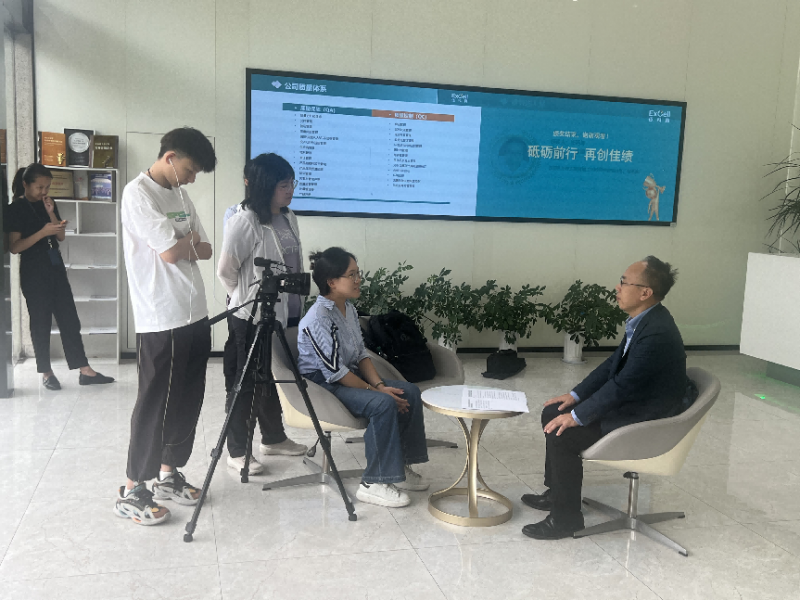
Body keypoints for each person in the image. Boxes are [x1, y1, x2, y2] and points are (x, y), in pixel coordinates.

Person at [521, 256, 694, 540]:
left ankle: (566, 519)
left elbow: (623, 386)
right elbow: (613, 365)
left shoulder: (657, 333)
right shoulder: (646, 320)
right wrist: (575, 396)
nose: (618, 287)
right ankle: (557, 494)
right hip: (636, 402)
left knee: (564, 432)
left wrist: (578, 416)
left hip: (646, 418)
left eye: (624, 282)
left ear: (645, 292)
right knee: (554, 412)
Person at [114, 127, 216, 526]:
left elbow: (204, 249)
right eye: (189, 170)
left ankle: (167, 474)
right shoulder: (138, 194)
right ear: (170, 157)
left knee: (188, 397)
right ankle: (133, 487)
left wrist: (182, 244)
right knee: (154, 400)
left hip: (195, 311)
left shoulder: (180, 196)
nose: (191, 179)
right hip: (160, 315)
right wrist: (183, 243)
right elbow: (174, 252)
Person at [297, 247, 429, 508]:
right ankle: (373, 482)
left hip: (347, 375)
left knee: (409, 392)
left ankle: (399, 468)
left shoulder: (348, 309)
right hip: (322, 385)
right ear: (332, 282)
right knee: (383, 404)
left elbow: (361, 355)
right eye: (352, 275)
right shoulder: (318, 318)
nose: (358, 279)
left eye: (358, 273)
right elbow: (335, 372)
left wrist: (379, 384)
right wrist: (377, 392)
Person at [217, 153, 308, 475]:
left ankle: (273, 438)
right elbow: (226, 271)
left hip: (285, 313)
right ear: (265, 185)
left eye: (292, 183)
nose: (290, 190)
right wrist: (242, 297)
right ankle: (238, 450)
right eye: (284, 184)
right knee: (245, 383)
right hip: (251, 316)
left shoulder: (288, 216)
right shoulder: (244, 221)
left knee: (272, 377)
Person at [5, 163, 115, 390]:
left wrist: (51, 213)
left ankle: (84, 370)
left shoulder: (48, 203)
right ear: (25, 184)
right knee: (41, 322)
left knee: (69, 319)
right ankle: (47, 373)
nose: (44, 191)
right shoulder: (15, 209)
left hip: (55, 267)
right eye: (39, 187)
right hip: (33, 272)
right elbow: (15, 247)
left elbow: (61, 236)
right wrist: (42, 232)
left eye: (47, 187)